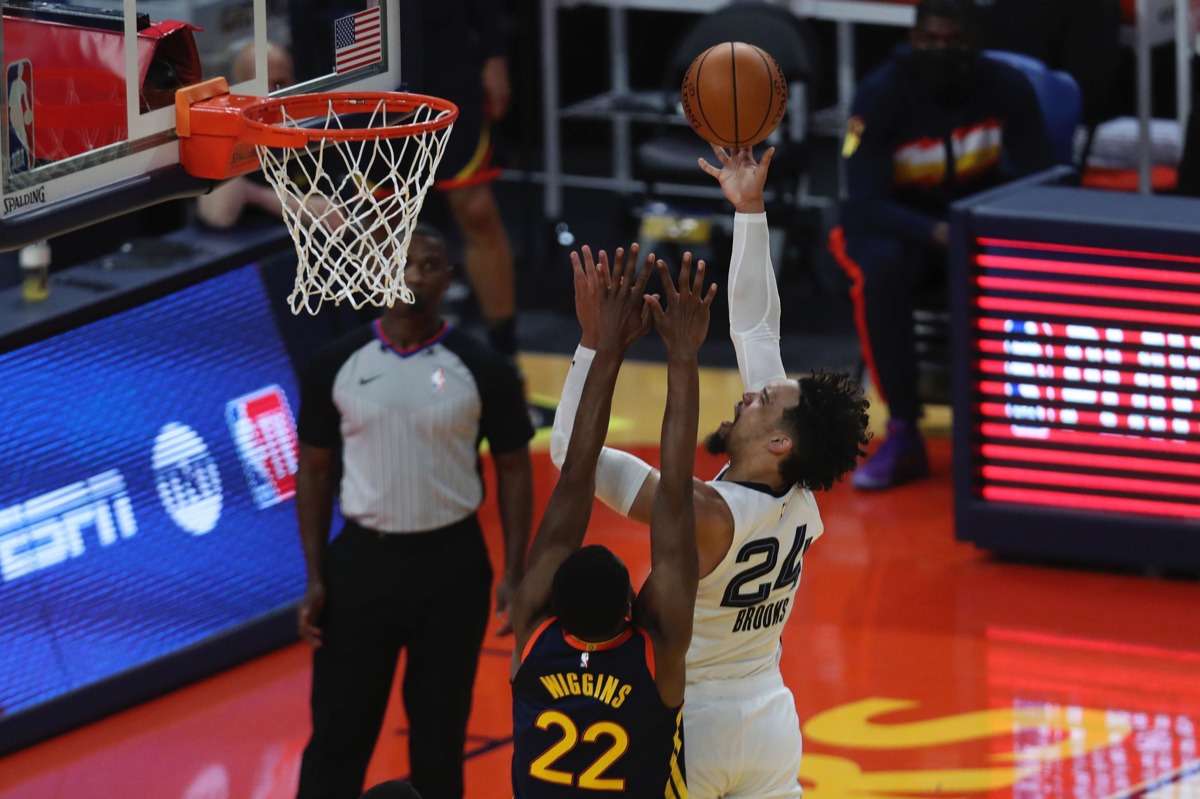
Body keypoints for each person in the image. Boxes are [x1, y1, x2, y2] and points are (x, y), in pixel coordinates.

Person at [549, 147, 870, 799]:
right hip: (770, 718)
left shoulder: (702, 512)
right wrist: (749, 210)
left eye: (767, 399)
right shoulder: (801, 496)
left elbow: (568, 454)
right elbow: (756, 328)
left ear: (778, 439)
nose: (752, 392)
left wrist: (593, 343)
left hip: (691, 723)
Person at [293, 222, 534, 799]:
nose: (416, 277)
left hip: (451, 565)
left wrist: (516, 571)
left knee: (439, 739)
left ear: (449, 278)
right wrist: (315, 575)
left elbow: (515, 468)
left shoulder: (482, 368)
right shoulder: (335, 362)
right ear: (379, 273)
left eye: (430, 265)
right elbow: (315, 470)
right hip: (362, 563)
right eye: (404, 264)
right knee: (338, 732)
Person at [509, 245, 713, 798]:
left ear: (547, 599)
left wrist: (606, 344)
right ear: (632, 609)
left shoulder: (533, 634)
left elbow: (575, 476)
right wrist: (682, 357)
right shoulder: (656, 650)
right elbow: (674, 501)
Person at [836, 0, 1055, 489]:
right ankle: (904, 431)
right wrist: (937, 232)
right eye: (931, 40)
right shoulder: (878, 96)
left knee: (1023, 264)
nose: (941, 50)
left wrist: (977, 229)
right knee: (881, 271)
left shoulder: (1006, 88)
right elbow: (863, 202)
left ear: (974, 43)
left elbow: (1043, 182)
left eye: (954, 40)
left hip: (974, 226)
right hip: (898, 229)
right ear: (914, 41)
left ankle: (1011, 428)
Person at [289, 0, 520, 359]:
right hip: (363, 45)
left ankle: (507, 361)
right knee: (381, 218)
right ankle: (390, 354)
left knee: (476, 209)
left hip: (442, 50)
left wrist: (495, 53)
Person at [195, 41, 296, 230]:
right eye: (274, 84)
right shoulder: (224, 134)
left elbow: (341, 218)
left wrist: (254, 194)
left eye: (284, 82)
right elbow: (220, 215)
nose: (279, 94)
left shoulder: (312, 129)